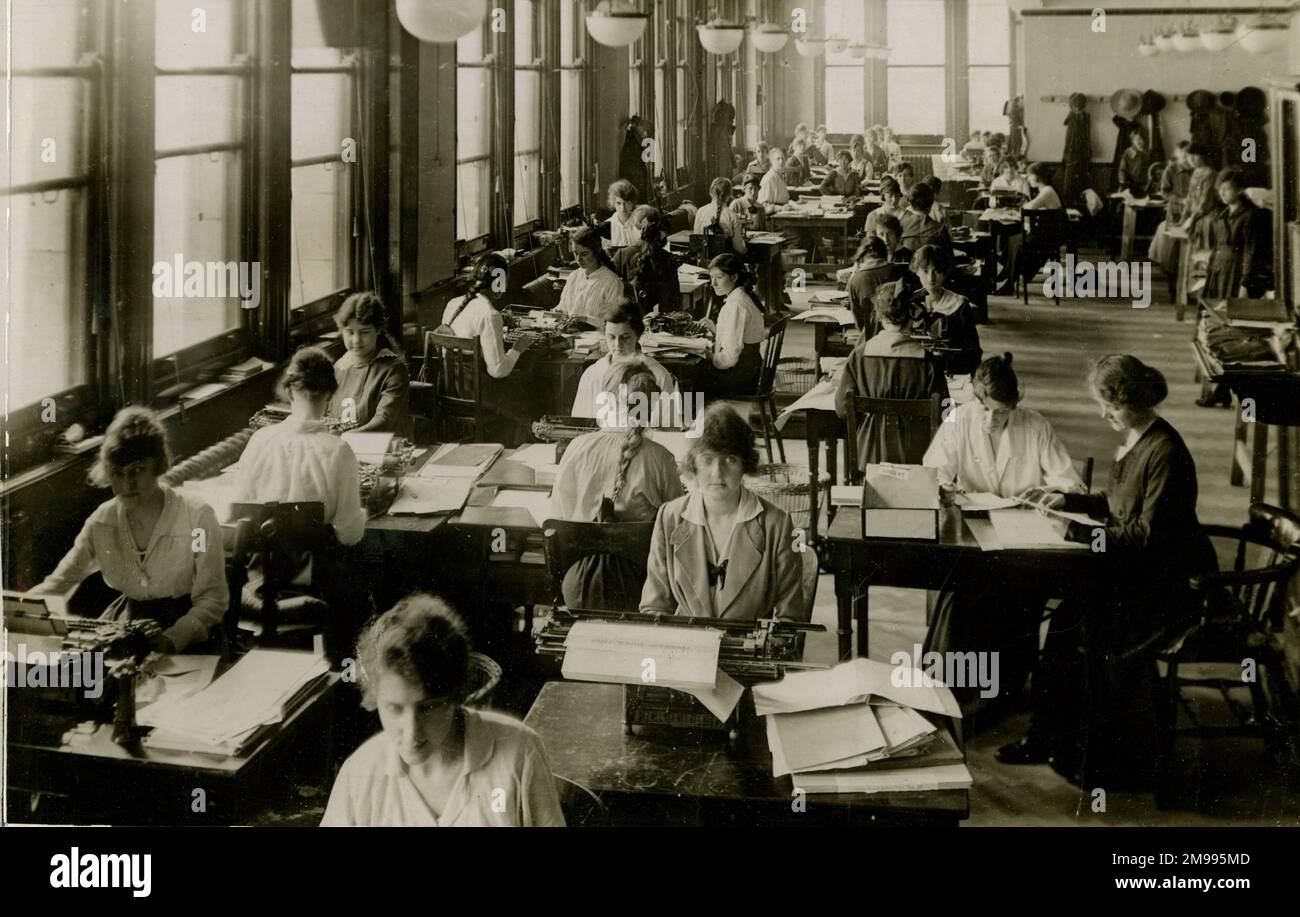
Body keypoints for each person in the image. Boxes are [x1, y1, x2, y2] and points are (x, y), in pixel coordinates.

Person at [1000, 356, 1216, 787]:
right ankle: (1050, 737)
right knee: (1064, 624)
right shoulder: (1139, 438)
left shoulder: (1166, 452)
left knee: (1077, 628)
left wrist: (1083, 537)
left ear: (1134, 402)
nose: (1105, 414)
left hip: (1165, 586)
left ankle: (1088, 753)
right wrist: (1070, 502)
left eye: (1110, 406)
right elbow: (1115, 503)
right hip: (1137, 573)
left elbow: (1145, 536)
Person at [922, 354, 1086, 709]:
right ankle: (958, 689)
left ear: (1014, 408)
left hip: (1021, 536)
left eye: (1002, 413)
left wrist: (1050, 494)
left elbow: (1071, 484)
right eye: (988, 411)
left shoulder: (1035, 426)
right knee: (966, 594)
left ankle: (1001, 691)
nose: (993, 420)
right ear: (975, 400)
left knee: (1014, 595)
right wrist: (945, 488)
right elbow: (933, 472)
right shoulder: (958, 419)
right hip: (972, 532)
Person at [321, 594, 565, 826]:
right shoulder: (361, 773)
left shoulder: (519, 754)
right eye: (394, 708)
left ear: (455, 696)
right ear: (376, 698)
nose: (411, 732)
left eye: (428, 708)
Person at [29, 407, 228, 654]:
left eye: (137, 470)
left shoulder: (196, 517)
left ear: (157, 466)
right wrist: (14, 608)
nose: (127, 484)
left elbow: (212, 598)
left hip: (190, 634)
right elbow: (60, 582)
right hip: (129, 628)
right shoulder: (101, 522)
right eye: (117, 473)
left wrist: (171, 640)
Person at [232, 347, 372, 658]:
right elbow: (350, 535)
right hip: (317, 587)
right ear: (329, 394)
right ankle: (343, 665)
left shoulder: (260, 441)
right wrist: (364, 510)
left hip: (260, 584)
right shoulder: (338, 451)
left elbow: (239, 506)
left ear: (289, 389)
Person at [640, 405, 805, 621]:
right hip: (687, 647)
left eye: (730, 459)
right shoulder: (669, 517)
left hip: (748, 651)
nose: (717, 472)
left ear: (745, 464)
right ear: (693, 464)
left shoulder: (778, 524)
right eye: (707, 459)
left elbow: (790, 618)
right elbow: (654, 607)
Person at [554, 361, 686, 611]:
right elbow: (678, 530)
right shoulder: (661, 458)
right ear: (652, 406)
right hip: (639, 587)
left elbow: (556, 518)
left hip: (577, 586)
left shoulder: (575, 448)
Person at [836, 284, 948, 469]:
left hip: (869, 457)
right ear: (912, 318)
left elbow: (842, 409)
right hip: (917, 457)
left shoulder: (859, 355)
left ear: (879, 317)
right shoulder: (928, 361)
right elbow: (946, 413)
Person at [442, 253, 541, 433]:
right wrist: (518, 348)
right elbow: (498, 371)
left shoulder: (452, 304)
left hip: (451, 386)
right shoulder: (490, 315)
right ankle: (521, 438)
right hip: (476, 391)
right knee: (527, 381)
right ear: (498, 283)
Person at [570, 301, 677, 418]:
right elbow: (580, 422)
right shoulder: (592, 374)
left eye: (625, 338)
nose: (617, 345)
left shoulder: (658, 375)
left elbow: (669, 428)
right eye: (611, 337)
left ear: (638, 335)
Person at [332, 292, 411, 436]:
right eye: (350, 332)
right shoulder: (339, 367)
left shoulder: (394, 370)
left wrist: (345, 438)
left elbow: (384, 420)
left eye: (364, 332)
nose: (356, 340)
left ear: (378, 330)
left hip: (379, 448)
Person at [698, 253, 765, 399]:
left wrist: (710, 357)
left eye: (719, 277)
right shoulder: (743, 296)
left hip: (741, 376)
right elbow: (738, 337)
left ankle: (706, 419)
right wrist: (717, 331)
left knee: (694, 376)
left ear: (734, 277)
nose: (713, 283)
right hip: (750, 368)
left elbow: (730, 358)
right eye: (711, 277)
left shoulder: (736, 305)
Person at [1203, 167, 1273, 300]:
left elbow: (1250, 253)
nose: (1222, 193)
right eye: (1220, 189)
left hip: (1236, 274)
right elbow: (1216, 247)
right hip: (1219, 271)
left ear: (1240, 190)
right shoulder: (1222, 216)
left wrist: (1245, 284)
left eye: (1227, 189)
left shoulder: (1250, 216)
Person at [911, 244, 981, 375]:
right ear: (917, 271)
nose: (931, 278)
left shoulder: (959, 304)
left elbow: (974, 352)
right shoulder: (909, 302)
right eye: (925, 271)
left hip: (951, 372)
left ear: (944, 273)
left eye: (936, 271)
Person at [613, 207, 680, 316]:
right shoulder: (667, 258)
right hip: (659, 322)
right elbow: (674, 302)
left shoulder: (621, 255)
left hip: (629, 321)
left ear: (634, 229)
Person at [554, 227, 625, 326]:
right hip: (571, 334)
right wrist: (557, 312)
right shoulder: (573, 277)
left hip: (598, 337)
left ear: (597, 251)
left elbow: (613, 323)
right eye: (576, 253)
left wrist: (586, 319)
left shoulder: (612, 282)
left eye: (584, 254)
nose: (578, 259)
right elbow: (563, 308)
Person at [846, 236, 893, 334]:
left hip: (869, 337)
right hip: (900, 334)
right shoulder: (900, 271)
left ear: (861, 257)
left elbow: (859, 323)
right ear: (885, 255)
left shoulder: (855, 280)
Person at [694, 177, 748, 254]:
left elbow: (697, 242)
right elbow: (739, 248)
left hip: (704, 263)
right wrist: (744, 249)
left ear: (711, 192)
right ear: (729, 195)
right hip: (725, 262)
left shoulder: (700, 211)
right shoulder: (732, 216)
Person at [900, 183, 951, 254]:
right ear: (931, 205)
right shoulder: (940, 230)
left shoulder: (901, 226)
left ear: (911, 205)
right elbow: (949, 260)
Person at [618, 115, 651, 206]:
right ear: (637, 126)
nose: (644, 133)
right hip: (631, 173)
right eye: (642, 129)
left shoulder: (638, 138)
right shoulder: (631, 137)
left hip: (636, 172)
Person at [605, 179, 641, 248]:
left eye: (626, 203)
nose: (622, 208)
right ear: (613, 203)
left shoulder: (641, 222)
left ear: (632, 202)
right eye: (618, 203)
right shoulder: (607, 225)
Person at [1117, 129, 1151, 194]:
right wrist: (1122, 183)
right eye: (1136, 140)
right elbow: (1122, 169)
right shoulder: (1128, 152)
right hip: (1130, 185)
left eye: (1141, 139)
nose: (1139, 142)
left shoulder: (1147, 153)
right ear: (1132, 141)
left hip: (1145, 186)